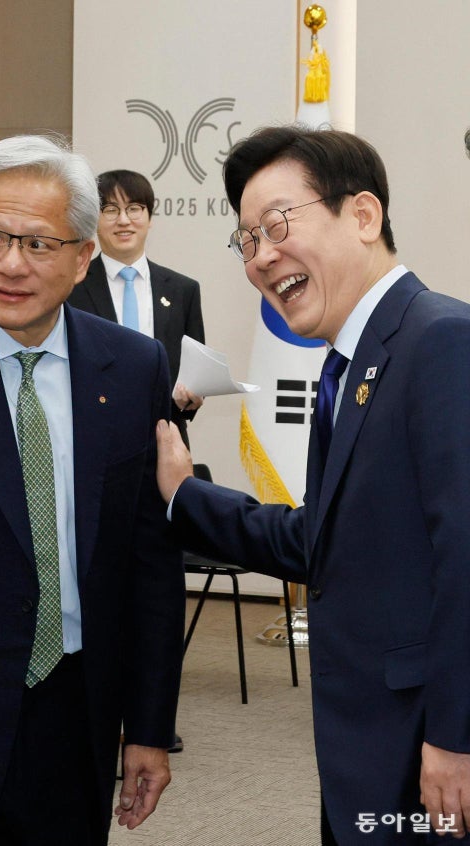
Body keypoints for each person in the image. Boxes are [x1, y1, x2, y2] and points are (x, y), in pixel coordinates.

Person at [156, 124, 470, 845]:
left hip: (426, 744)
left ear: (362, 215)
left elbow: (466, 560)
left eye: (276, 226)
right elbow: (324, 541)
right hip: (367, 744)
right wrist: (183, 494)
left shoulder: (440, 343)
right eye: (246, 240)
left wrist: (457, 738)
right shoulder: (349, 366)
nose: (263, 257)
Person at [0, 135, 185, 846]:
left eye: (39, 243)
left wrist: (148, 726)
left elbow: (151, 561)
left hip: (80, 708)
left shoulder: (132, 364)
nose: (11, 264)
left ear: (83, 255)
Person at [68, 169, 206, 448]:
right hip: (92, 441)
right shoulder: (70, 287)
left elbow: (195, 373)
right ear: (94, 218)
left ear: (149, 217)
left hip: (164, 443)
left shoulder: (183, 290)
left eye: (134, 209)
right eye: (110, 209)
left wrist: (191, 396)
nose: (123, 220)